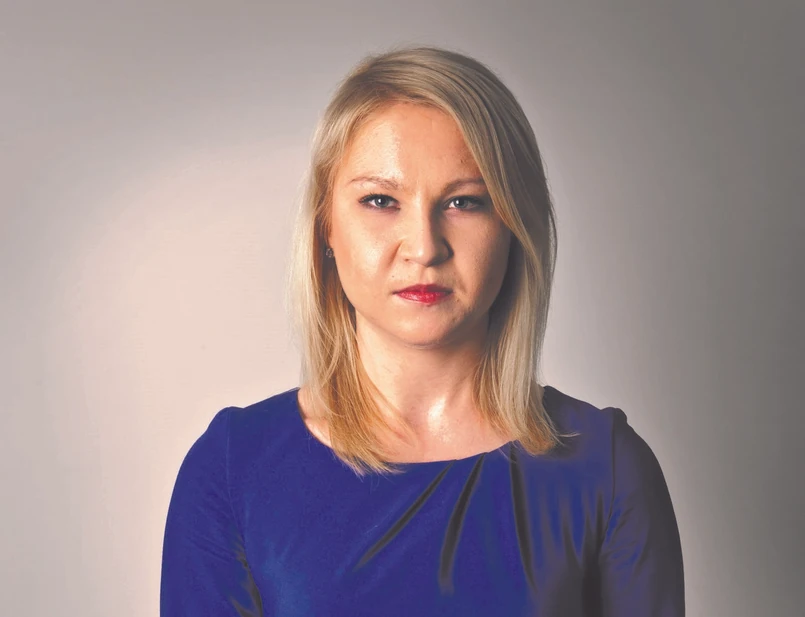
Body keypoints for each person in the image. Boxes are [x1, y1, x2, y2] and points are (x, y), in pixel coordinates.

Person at [160, 44, 685, 616]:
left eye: (464, 202)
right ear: (325, 228)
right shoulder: (234, 470)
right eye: (380, 200)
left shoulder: (604, 469)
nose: (425, 247)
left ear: (515, 225)